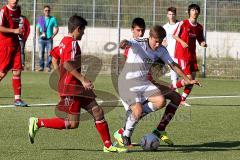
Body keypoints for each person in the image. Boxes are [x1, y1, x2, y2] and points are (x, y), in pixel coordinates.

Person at [28, 14, 127, 153]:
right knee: (72, 123)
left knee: (97, 111)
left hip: (75, 87)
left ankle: (108, 145)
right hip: (72, 88)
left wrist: (60, 76)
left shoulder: (64, 41)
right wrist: (82, 79)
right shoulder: (72, 43)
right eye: (83, 30)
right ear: (78, 29)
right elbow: (67, 64)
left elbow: (54, 57)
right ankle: (38, 122)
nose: (83, 33)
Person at [114, 25, 200, 147]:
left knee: (160, 101)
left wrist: (187, 79)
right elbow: (128, 42)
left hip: (143, 82)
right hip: (127, 83)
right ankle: (126, 134)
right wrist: (124, 43)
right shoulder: (139, 43)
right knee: (137, 110)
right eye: (156, 41)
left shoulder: (161, 50)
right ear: (150, 37)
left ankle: (134, 116)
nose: (158, 44)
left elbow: (173, 64)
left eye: (160, 41)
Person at [173, 4, 207, 106]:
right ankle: (171, 88)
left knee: (192, 78)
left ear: (199, 13)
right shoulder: (183, 23)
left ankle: (182, 99)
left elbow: (200, 40)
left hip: (192, 55)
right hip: (182, 54)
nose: (195, 11)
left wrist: (203, 43)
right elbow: (174, 35)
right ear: (189, 12)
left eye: (197, 10)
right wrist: (182, 42)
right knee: (188, 79)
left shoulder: (199, 27)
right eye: (193, 10)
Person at [0, 0, 28, 107]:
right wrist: (14, 31)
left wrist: (20, 33)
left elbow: (17, 27)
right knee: (2, 72)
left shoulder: (18, 10)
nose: (14, 0)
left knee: (17, 71)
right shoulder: (3, 11)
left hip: (16, 45)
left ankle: (17, 99)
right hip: (5, 45)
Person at [37, 5, 59, 72]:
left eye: (48, 10)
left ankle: (48, 67)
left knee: (50, 54)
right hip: (41, 39)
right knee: (41, 53)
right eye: (46, 10)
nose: (47, 11)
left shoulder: (53, 19)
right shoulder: (41, 19)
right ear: (43, 11)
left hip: (49, 39)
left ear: (50, 11)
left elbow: (56, 28)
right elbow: (37, 28)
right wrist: (38, 37)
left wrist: (53, 35)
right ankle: (41, 67)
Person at [162, 7, 179, 91]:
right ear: (167, 15)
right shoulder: (165, 27)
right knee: (174, 70)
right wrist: (163, 43)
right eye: (169, 14)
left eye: (173, 14)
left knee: (181, 72)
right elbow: (163, 40)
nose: (171, 16)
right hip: (170, 52)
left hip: (180, 52)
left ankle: (176, 87)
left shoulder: (180, 24)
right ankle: (175, 89)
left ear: (175, 15)